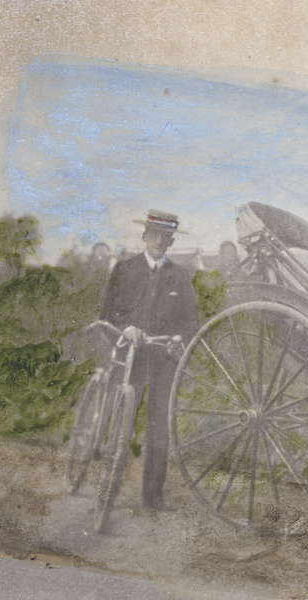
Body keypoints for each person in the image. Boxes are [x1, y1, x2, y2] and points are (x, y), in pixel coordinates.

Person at [102, 209, 198, 509]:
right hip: (130, 355)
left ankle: (152, 497)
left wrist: (179, 338)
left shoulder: (179, 277)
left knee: (159, 426)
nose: (159, 241)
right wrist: (126, 328)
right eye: (154, 234)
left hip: (162, 358)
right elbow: (106, 312)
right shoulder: (124, 269)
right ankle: (109, 489)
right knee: (121, 422)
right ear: (144, 236)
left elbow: (190, 321)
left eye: (165, 237)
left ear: (170, 242)